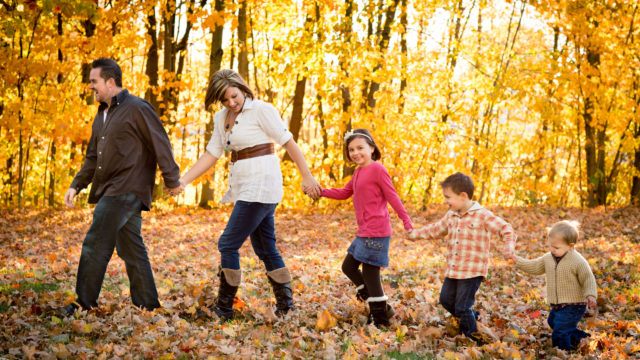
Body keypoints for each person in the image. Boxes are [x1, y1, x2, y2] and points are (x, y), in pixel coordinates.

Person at [179, 69, 321, 320]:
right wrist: (184, 181)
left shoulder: (261, 110)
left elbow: (288, 142)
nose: (231, 103)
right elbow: (212, 154)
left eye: (234, 96)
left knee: (228, 243)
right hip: (244, 185)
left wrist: (306, 175)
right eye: (225, 100)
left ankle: (224, 308)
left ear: (242, 88)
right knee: (265, 246)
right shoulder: (222, 118)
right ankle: (286, 307)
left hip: (263, 183)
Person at [62, 58, 181, 315]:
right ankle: (148, 304)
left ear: (110, 81)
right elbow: (93, 157)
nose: (91, 86)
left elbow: (160, 142)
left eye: (94, 81)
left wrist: (172, 179)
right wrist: (77, 185)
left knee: (95, 242)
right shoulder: (101, 116)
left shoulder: (137, 108)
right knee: (130, 247)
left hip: (128, 187)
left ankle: (83, 304)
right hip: (110, 188)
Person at [318, 129, 413, 327]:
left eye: (360, 148)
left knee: (371, 274)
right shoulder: (359, 171)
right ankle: (382, 307)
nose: (355, 153)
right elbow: (345, 192)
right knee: (348, 267)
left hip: (376, 231)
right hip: (364, 231)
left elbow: (392, 196)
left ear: (371, 148)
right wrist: (321, 192)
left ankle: (380, 319)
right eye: (351, 149)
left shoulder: (378, 169)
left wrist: (406, 220)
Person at [409, 172, 515, 342]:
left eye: (448, 197)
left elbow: (505, 228)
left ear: (463, 196)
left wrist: (508, 246)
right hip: (454, 269)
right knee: (445, 300)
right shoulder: (451, 215)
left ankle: (472, 338)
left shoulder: (482, 215)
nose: (446, 201)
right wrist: (415, 234)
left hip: (473, 271)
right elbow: (436, 229)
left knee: (462, 306)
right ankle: (471, 318)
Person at [510, 220, 597, 351]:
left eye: (556, 248)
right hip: (557, 304)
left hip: (574, 305)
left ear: (570, 246)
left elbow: (588, 279)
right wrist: (517, 260)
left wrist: (590, 295)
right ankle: (579, 338)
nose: (552, 250)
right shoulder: (548, 258)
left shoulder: (578, 261)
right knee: (553, 323)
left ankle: (561, 352)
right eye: (550, 246)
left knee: (560, 329)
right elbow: (534, 266)